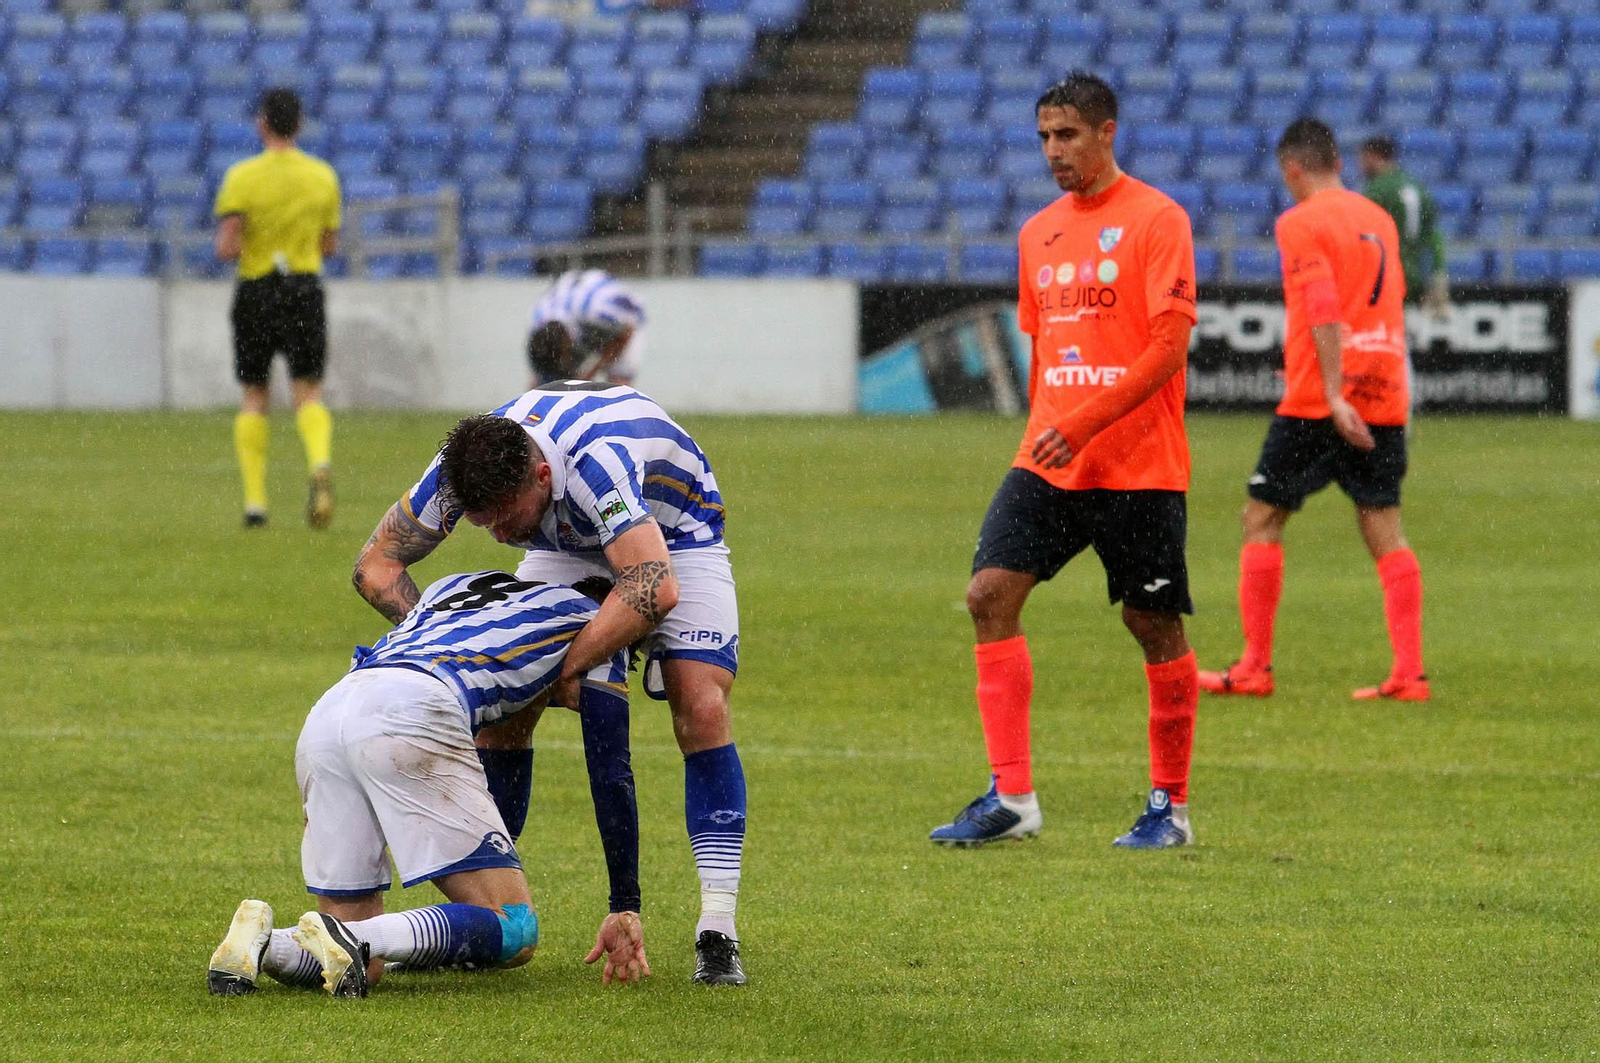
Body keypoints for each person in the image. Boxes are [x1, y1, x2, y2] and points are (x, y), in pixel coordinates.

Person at [351, 382, 749, 985]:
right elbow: (375, 567)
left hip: (672, 535)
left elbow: (654, 586)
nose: (499, 538)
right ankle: (483, 905)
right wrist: (479, 649)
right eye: (483, 526)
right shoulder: (466, 469)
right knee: (509, 707)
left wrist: (557, 666)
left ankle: (718, 931)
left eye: (505, 521)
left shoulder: (597, 461)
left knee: (701, 707)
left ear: (541, 475)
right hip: (563, 541)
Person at [927, 72, 1202, 851]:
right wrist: (1054, 427)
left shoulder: (1158, 219)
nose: (1055, 150)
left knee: (1153, 623)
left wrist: (1082, 421)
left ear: (1107, 132)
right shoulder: (1038, 232)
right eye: (1046, 136)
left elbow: (1168, 347)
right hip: (1050, 459)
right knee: (988, 594)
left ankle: (1169, 809)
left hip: (1139, 462)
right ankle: (1012, 796)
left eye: (1069, 134)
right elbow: (1047, 351)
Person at [206, 570, 650, 997]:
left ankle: (261, 944)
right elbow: (611, 774)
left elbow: (504, 784)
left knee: (367, 963)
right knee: (515, 926)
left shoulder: (467, 591)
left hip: (331, 712)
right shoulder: (600, 629)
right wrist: (625, 903)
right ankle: (349, 935)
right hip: (414, 712)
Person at [1198, 119, 1428, 703]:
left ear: (1292, 169)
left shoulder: (1299, 222)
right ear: (1340, 164)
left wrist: (1331, 391)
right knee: (1384, 526)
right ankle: (1409, 673)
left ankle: (1255, 667)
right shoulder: (1377, 218)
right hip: (1384, 387)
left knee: (1263, 517)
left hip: (1320, 400)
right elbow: (1390, 299)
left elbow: (1323, 306)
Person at [213, 87, 341, 530]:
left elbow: (227, 245)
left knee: (255, 394)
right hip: (303, 288)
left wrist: (252, 239)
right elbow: (329, 244)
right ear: (300, 125)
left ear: (262, 123)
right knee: (307, 389)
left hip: (257, 289)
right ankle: (319, 463)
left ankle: (255, 504)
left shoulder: (242, 177)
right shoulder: (323, 177)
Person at [1358, 135, 1450, 322]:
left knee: (1384, 331)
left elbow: (1365, 236)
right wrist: (1439, 271)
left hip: (1387, 274)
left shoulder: (1377, 190)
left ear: (1372, 156)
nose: (1360, 165)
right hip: (1418, 272)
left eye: (1362, 159)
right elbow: (1434, 235)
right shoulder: (1418, 187)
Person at [526, 269, 646, 387]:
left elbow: (625, 333)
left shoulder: (598, 311)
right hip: (578, 323)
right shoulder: (537, 320)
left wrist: (590, 374)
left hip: (624, 321)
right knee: (545, 384)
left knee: (618, 384)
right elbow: (539, 373)